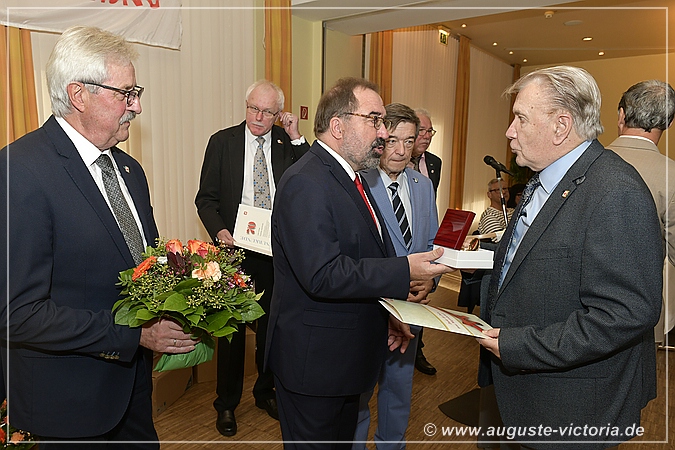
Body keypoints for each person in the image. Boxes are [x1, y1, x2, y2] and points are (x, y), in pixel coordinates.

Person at [0, 26, 198, 448]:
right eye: (126, 94)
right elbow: (17, 313)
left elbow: (143, 268)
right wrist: (135, 334)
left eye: (135, 93)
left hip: (132, 393)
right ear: (79, 95)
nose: (137, 106)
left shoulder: (130, 170)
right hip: (68, 407)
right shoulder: (21, 171)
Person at [478, 66, 663, 449]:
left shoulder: (615, 192)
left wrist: (518, 346)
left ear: (561, 126)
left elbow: (625, 313)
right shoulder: (547, 178)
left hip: (571, 409)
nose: (510, 131)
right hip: (527, 396)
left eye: (520, 118)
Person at [265, 77, 454, 447]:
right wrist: (406, 269)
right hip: (316, 368)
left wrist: (387, 316)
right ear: (338, 126)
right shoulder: (307, 181)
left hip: (344, 362)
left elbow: (363, 258)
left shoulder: (352, 179)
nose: (383, 133)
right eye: (374, 120)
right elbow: (323, 274)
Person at [195, 79, 309, 436]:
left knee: (272, 329)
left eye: (267, 112)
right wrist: (219, 232)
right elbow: (206, 199)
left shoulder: (286, 143)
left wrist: (296, 135)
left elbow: (313, 181)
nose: (258, 117)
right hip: (234, 252)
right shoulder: (222, 142)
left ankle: (265, 391)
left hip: (277, 253)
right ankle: (227, 404)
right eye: (253, 108)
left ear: (279, 114)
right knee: (230, 331)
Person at [354, 103, 439, 449]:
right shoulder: (360, 184)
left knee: (399, 393)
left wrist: (430, 281)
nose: (401, 151)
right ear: (379, 139)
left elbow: (432, 244)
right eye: (393, 141)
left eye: (409, 141)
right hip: (369, 310)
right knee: (359, 396)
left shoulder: (423, 186)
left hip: (411, 309)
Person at [605, 80, 675, 345]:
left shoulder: (580, 165)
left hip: (576, 315)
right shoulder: (671, 176)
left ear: (621, 115)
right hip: (641, 315)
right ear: (669, 123)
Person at [409, 108, 442, 375]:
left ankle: (417, 349)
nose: (427, 136)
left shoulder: (434, 163)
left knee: (421, 298)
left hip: (423, 238)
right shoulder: (390, 164)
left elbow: (429, 208)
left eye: (430, 131)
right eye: (422, 131)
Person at [477, 178, 515, 243]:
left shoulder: (513, 211)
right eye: (498, 190)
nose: (503, 192)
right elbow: (501, 241)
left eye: (505, 189)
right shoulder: (489, 216)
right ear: (489, 195)